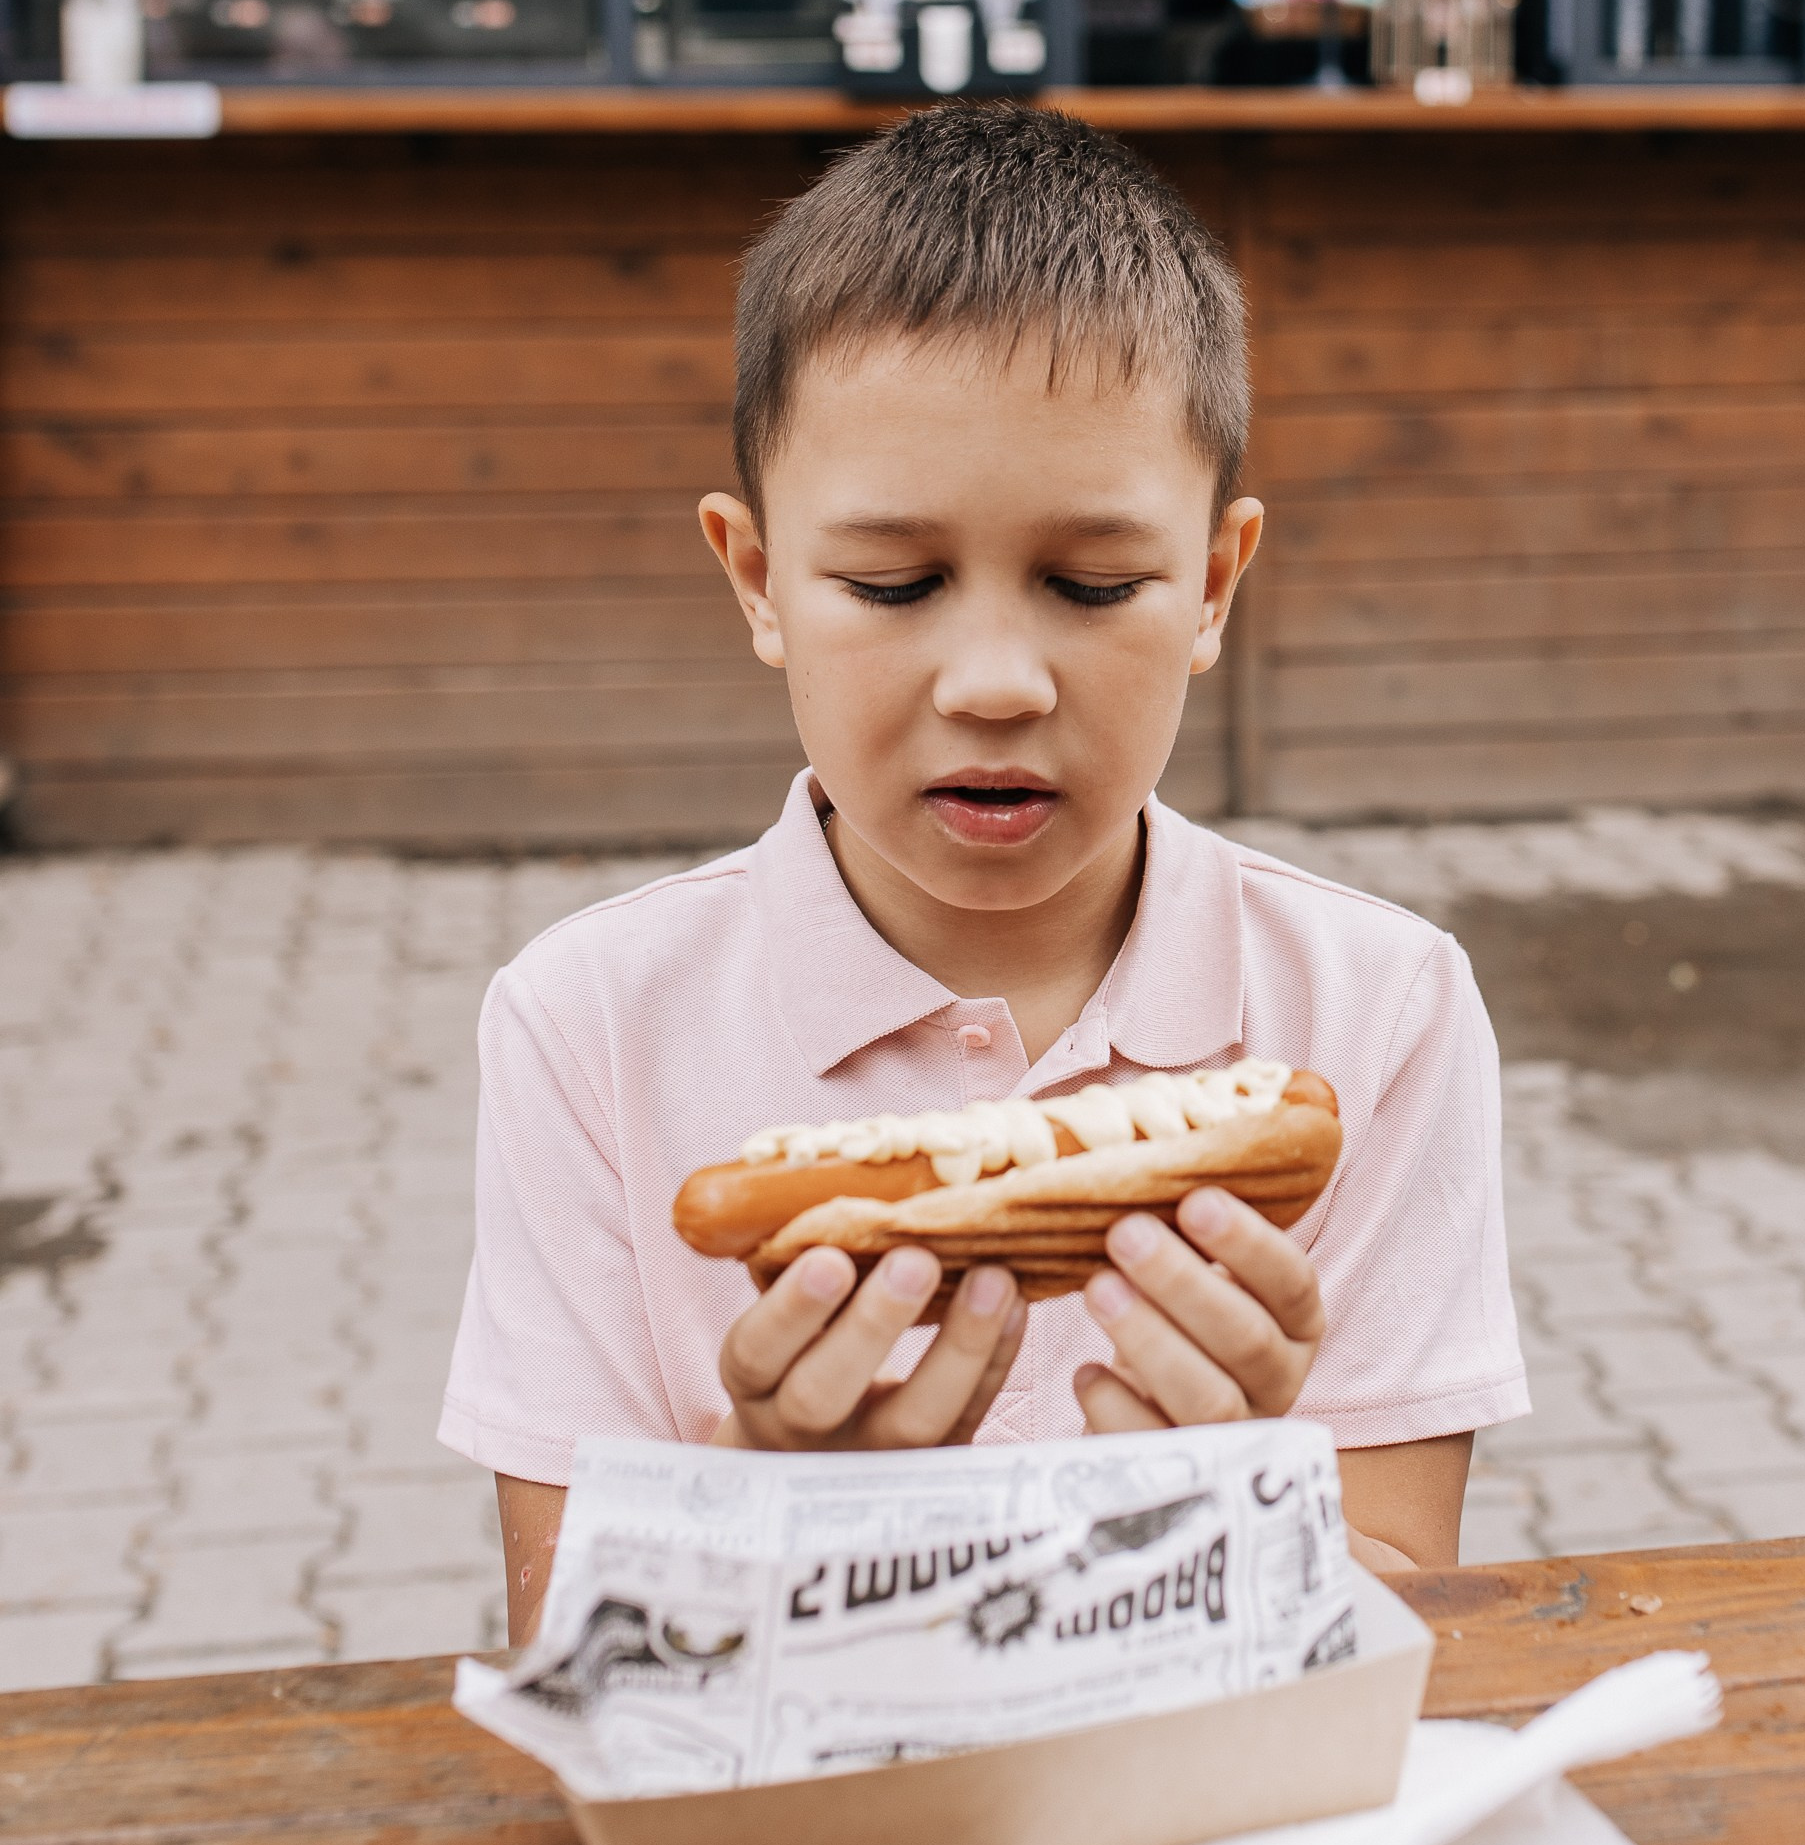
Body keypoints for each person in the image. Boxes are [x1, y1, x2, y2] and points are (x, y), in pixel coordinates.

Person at [440, 106, 1527, 1641]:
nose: (997, 682)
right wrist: (768, 1520)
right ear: (758, 580)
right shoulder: (589, 1025)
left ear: (1213, 586)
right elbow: (563, 1636)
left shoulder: (1377, 1010)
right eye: (894, 585)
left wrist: (1229, 1510)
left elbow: (1413, 1603)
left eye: (1092, 583)